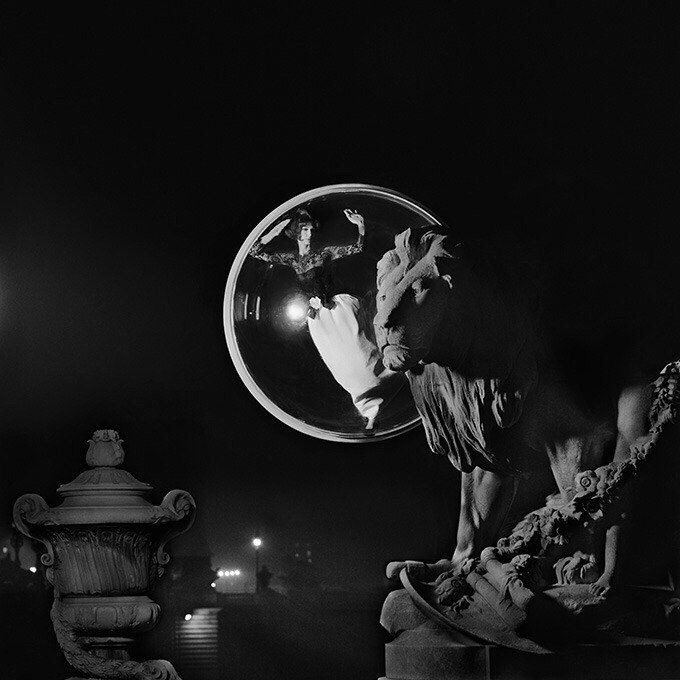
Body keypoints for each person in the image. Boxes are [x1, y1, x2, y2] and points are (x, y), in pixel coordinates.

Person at [249, 207, 405, 429]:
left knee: (360, 352)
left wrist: (360, 225)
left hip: (339, 310)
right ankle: (370, 412)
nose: (309, 234)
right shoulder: (292, 260)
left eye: (311, 230)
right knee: (341, 364)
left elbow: (358, 247)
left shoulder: (323, 254)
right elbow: (255, 249)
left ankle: (397, 368)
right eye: (304, 229)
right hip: (318, 319)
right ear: (295, 233)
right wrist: (280, 225)